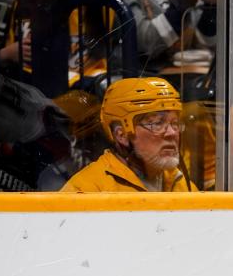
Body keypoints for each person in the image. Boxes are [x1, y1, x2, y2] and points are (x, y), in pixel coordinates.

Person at [61, 77, 196, 192]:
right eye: (156, 123)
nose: (172, 133)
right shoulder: (87, 190)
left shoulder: (180, 183)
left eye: (175, 123)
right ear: (122, 135)